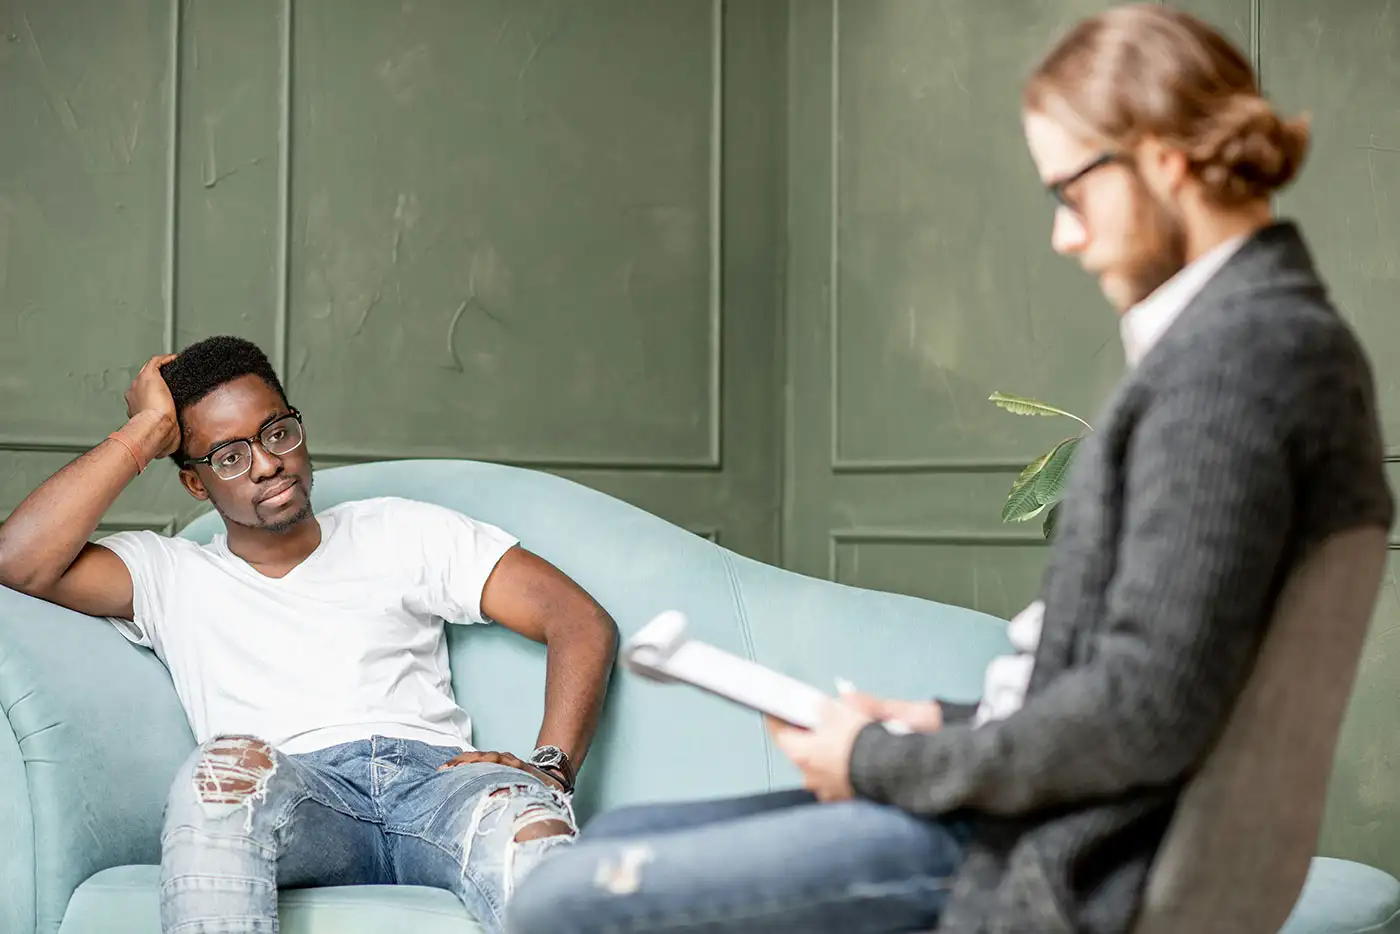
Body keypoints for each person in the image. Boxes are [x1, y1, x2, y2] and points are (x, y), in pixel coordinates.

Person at [505, 6, 1395, 934]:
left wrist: (880, 760)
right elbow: (1142, 678)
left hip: (1070, 860)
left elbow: (1145, 712)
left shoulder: (1233, 371)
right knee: (615, 842)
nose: (1065, 236)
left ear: (1161, 161)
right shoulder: (1270, 343)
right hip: (1061, 817)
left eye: (1071, 194)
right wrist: (941, 724)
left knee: (567, 896)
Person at [0, 335, 620, 934]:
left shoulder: (402, 529)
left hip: (440, 784)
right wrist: (145, 432)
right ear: (196, 481)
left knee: (532, 830)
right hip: (292, 795)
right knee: (219, 775)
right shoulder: (168, 573)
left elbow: (577, 619)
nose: (268, 463)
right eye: (230, 456)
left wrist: (550, 769)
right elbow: (19, 560)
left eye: (277, 433)